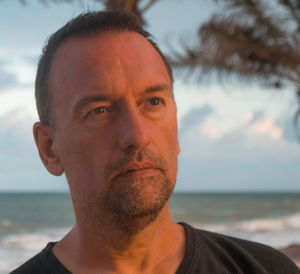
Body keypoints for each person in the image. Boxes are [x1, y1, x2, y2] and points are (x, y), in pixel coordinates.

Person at [11, 11, 300, 274]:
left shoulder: (265, 268)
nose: (138, 135)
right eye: (98, 110)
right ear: (49, 148)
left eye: (153, 102)